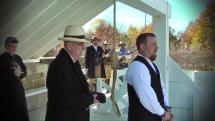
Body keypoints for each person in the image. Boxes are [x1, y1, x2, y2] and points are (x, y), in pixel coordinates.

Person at [45, 25, 105, 121]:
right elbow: (68, 98)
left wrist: (93, 94)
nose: (84, 47)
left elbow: (77, 89)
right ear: (69, 46)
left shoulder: (72, 61)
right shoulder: (60, 65)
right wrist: (91, 98)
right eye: (81, 43)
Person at [126, 33, 173, 121]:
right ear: (142, 47)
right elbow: (146, 96)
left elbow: (161, 88)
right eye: (153, 44)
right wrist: (163, 113)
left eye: (156, 44)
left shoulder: (153, 65)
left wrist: (167, 107)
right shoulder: (137, 66)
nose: (157, 47)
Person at [0, 37, 28, 121]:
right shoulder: (1, 59)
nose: (15, 49)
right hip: (7, 93)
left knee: (21, 113)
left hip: (18, 92)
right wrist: (13, 73)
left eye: (16, 46)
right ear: (7, 47)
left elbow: (25, 71)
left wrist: (20, 73)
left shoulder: (18, 58)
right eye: (13, 47)